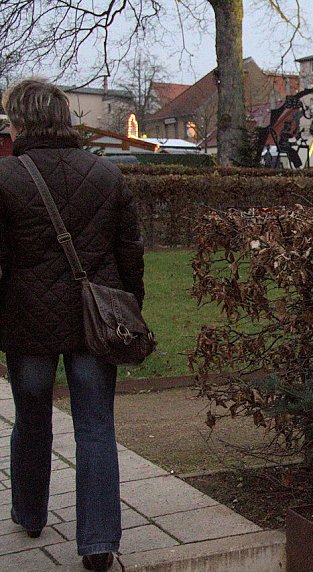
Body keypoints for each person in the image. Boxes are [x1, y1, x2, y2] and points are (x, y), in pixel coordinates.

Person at [0, 79, 144, 571]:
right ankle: (99, 543)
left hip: (27, 323)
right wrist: (128, 311)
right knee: (97, 428)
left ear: (20, 121)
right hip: (95, 324)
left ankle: (30, 512)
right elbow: (130, 255)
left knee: (32, 418)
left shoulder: (6, 177)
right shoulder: (106, 174)